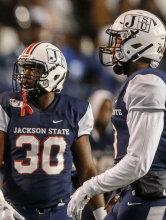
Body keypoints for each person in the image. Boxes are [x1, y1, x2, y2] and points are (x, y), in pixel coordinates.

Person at [0, 42, 107, 220]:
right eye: (24, 68)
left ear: (55, 74)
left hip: (59, 211)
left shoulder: (75, 110)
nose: (25, 74)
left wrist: (101, 215)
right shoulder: (5, 105)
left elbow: (86, 170)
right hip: (14, 210)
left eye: (33, 69)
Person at [67, 9, 166, 220]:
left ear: (138, 44)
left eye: (118, 40)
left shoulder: (146, 82)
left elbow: (139, 161)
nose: (112, 48)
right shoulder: (139, 81)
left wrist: (89, 187)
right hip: (134, 193)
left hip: (149, 197)